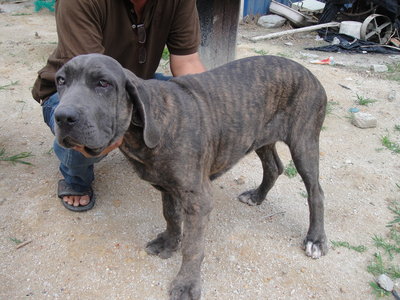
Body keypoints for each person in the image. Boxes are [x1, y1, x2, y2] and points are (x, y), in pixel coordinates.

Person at [32, 0, 206, 211]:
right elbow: (87, 81)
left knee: (182, 100)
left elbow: (187, 63)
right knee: (79, 123)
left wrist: (209, 109)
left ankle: (140, 142)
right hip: (74, 90)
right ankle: (76, 178)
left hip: (132, 85)